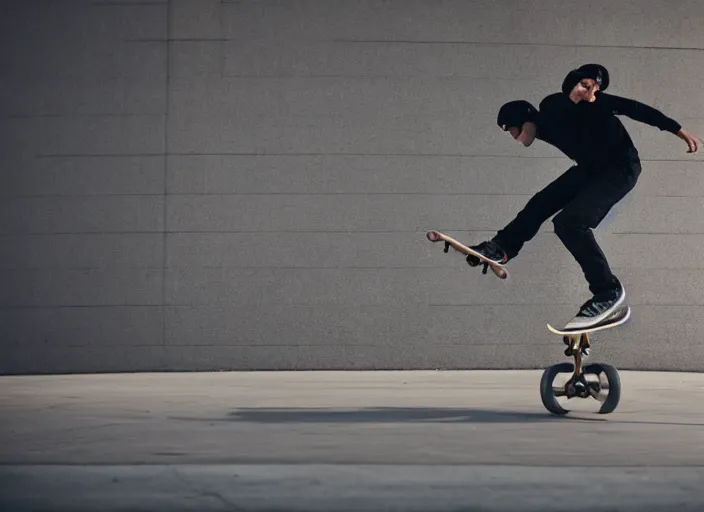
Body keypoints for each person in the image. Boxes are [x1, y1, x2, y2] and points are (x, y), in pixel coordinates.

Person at [467, 64, 701, 330]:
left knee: (570, 223)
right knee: (542, 201)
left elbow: (634, 109)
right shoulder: (543, 122)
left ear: (526, 120)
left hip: (620, 168)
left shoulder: (570, 106)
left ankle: (607, 291)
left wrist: (678, 130)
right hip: (590, 169)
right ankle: (502, 247)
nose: (516, 139)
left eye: (515, 131)